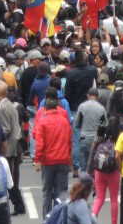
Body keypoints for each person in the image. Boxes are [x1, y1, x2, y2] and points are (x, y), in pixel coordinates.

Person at [33, 88, 72, 216]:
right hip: (63, 159)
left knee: (47, 192)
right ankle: (60, 218)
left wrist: (37, 160)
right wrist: (70, 158)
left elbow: (39, 143)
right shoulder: (65, 121)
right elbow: (69, 141)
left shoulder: (42, 121)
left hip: (48, 161)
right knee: (62, 192)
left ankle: (47, 218)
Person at [0, 82, 24, 216]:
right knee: (12, 175)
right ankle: (19, 205)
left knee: (7, 177)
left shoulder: (2, 107)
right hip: (15, 141)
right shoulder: (11, 105)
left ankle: (18, 204)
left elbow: (5, 129)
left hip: (8, 144)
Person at [89, 119, 122, 224]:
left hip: (99, 170)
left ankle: (93, 216)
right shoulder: (118, 141)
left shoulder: (101, 138)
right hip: (113, 172)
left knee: (99, 197)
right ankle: (113, 222)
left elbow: (93, 152)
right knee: (113, 199)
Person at [76, 87, 107, 173]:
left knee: (83, 163)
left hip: (84, 137)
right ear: (98, 96)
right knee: (94, 163)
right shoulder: (101, 108)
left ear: (87, 96)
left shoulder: (82, 106)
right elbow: (104, 124)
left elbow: (77, 123)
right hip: (96, 138)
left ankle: (83, 180)